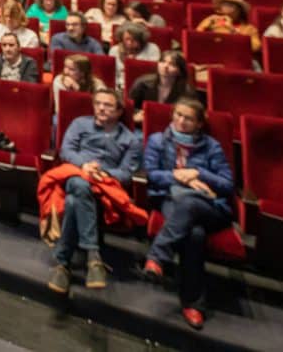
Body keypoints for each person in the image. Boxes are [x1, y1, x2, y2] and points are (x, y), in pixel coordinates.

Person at [141, 98, 234, 330]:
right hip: (173, 198)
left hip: (209, 206)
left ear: (200, 123)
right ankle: (193, 304)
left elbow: (227, 184)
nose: (181, 121)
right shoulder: (158, 141)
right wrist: (178, 176)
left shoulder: (211, 146)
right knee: (194, 235)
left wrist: (197, 173)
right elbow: (151, 174)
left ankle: (157, 256)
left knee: (191, 205)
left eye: (189, 118)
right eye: (178, 115)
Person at [47, 89, 142, 296]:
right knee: (78, 184)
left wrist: (101, 173)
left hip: (103, 186)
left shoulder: (130, 139)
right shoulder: (80, 124)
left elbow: (126, 173)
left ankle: (63, 263)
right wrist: (85, 166)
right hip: (76, 174)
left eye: (107, 105)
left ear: (119, 111)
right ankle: (93, 255)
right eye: (98, 103)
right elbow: (66, 151)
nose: (101, 108)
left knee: (74, 201)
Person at [128, 51, 197, 124]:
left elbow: (190, 114)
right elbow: (130, 107)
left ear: (180, 71)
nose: (165, 66)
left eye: (172, 64)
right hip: (143, 124)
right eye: (163, 61)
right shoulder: (142, 83)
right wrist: (135, 116)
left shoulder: (187, 92)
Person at [195, 0, 260, 54]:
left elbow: (256, 47)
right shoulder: (213, 20)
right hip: (214, 56)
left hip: (237, 58)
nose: (226, 8)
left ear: (240, 10)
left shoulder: (249, 28)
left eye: (231, 5)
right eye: (224, 5)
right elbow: (196, 38)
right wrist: (205, 27)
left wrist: (234, 31)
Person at [109, 23, 161, 91]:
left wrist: (134, 64)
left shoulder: (152, 48)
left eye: (134, 40)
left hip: (143, 87)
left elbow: (154, 73)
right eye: (127, 39)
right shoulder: (114, 50)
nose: (129, 43)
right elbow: (112, 74)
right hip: (119, 87)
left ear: (141, 39)